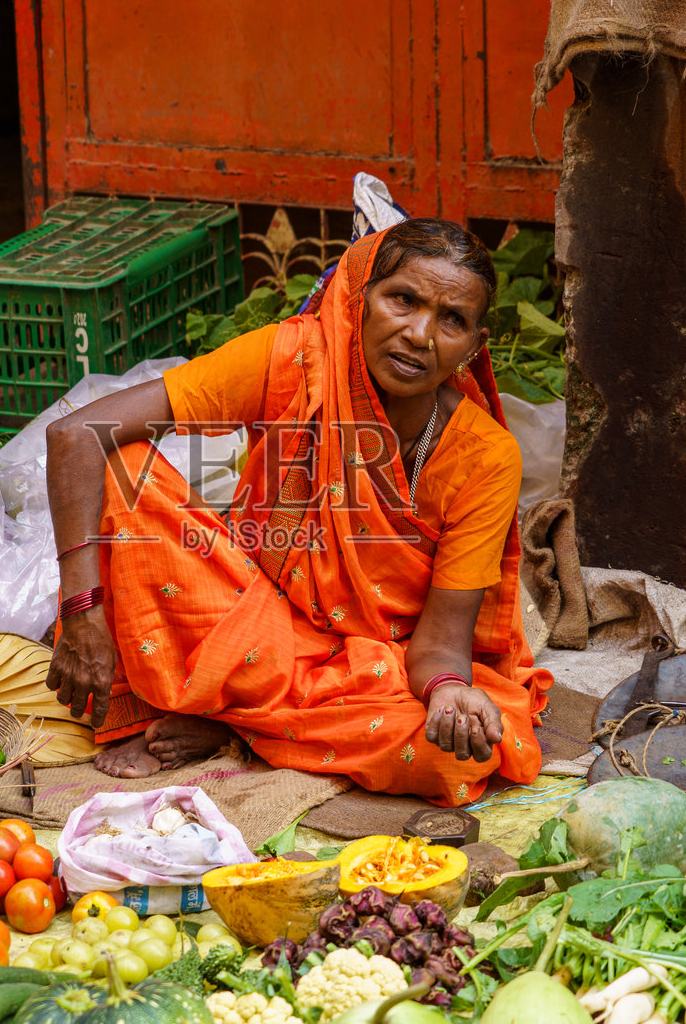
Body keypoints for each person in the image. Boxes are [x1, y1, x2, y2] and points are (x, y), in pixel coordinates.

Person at [41, 219, 551, 806]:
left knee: (450, 754)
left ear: (474, 344)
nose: (419, 333)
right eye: (403, 300)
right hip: (251, 616)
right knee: (123, 468)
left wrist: (446, 690)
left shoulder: (485, 457)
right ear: (359, 301)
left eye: (451, 319)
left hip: (368, 668)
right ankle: (254, 719)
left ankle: (232, 726)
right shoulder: (293, 359)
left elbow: (439, 644)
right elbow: (78, 436)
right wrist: (83, 611)